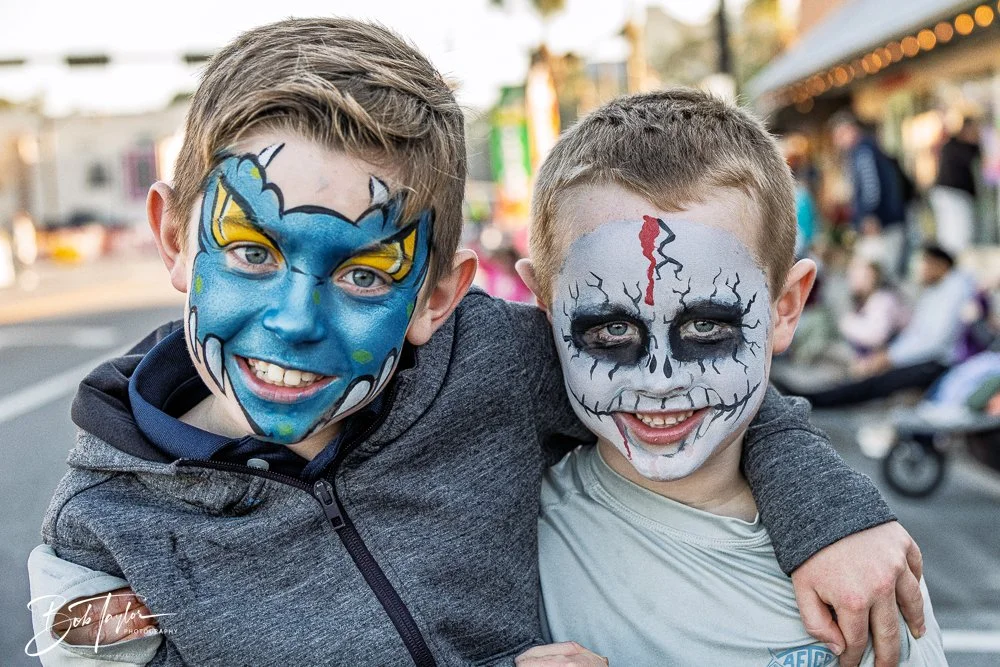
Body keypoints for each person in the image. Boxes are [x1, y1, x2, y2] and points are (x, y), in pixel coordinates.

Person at [27, 20, 924, 666]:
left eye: (366, 273)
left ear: (440, 294)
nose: (296, 318)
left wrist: (828, 515)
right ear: (177, 237)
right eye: (254, 253)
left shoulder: (490, 364)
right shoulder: (105, 535)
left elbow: (687, 372)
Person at [517, 89, 946, 665]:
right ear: (546, 306)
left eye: (707, 328)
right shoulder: (504, 533)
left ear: (785, 309)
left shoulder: (866, 578)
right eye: (612, 333)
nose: (660, 379)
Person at [783, 245, 974, 408]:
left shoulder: (954, 290)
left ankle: (814, 400)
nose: (919, 269)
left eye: (924, 263)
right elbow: (916, 334)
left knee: (876, 383)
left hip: (936, 363)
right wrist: (890, 355)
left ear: (940, 265)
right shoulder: (935, 290)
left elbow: (933, 341)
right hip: (917, 356)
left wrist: (891, 357)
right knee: (867, 377)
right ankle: (812, 397)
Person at [830, 111, 908, 277]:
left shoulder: (863, 151)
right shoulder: (864, 150)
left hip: (883, 222)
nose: (837, 142)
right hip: (885, 221)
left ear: (849, 130)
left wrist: (869, 215)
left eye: (838, 135)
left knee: (883, 273)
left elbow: (871, 185)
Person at [930, 117, 981, 255]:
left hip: (950, 194)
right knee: (958, 235)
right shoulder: (955, 146)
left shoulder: (954, 146)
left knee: (952, 234)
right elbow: (971, 158)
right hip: (953, 194)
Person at [838, 257, 910, 356]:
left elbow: (876, 337)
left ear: (874, 277)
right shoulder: (862, 299)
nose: (854, 280)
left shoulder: (884, 299)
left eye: (861, 276)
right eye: (852, 275)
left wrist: (848, 323)